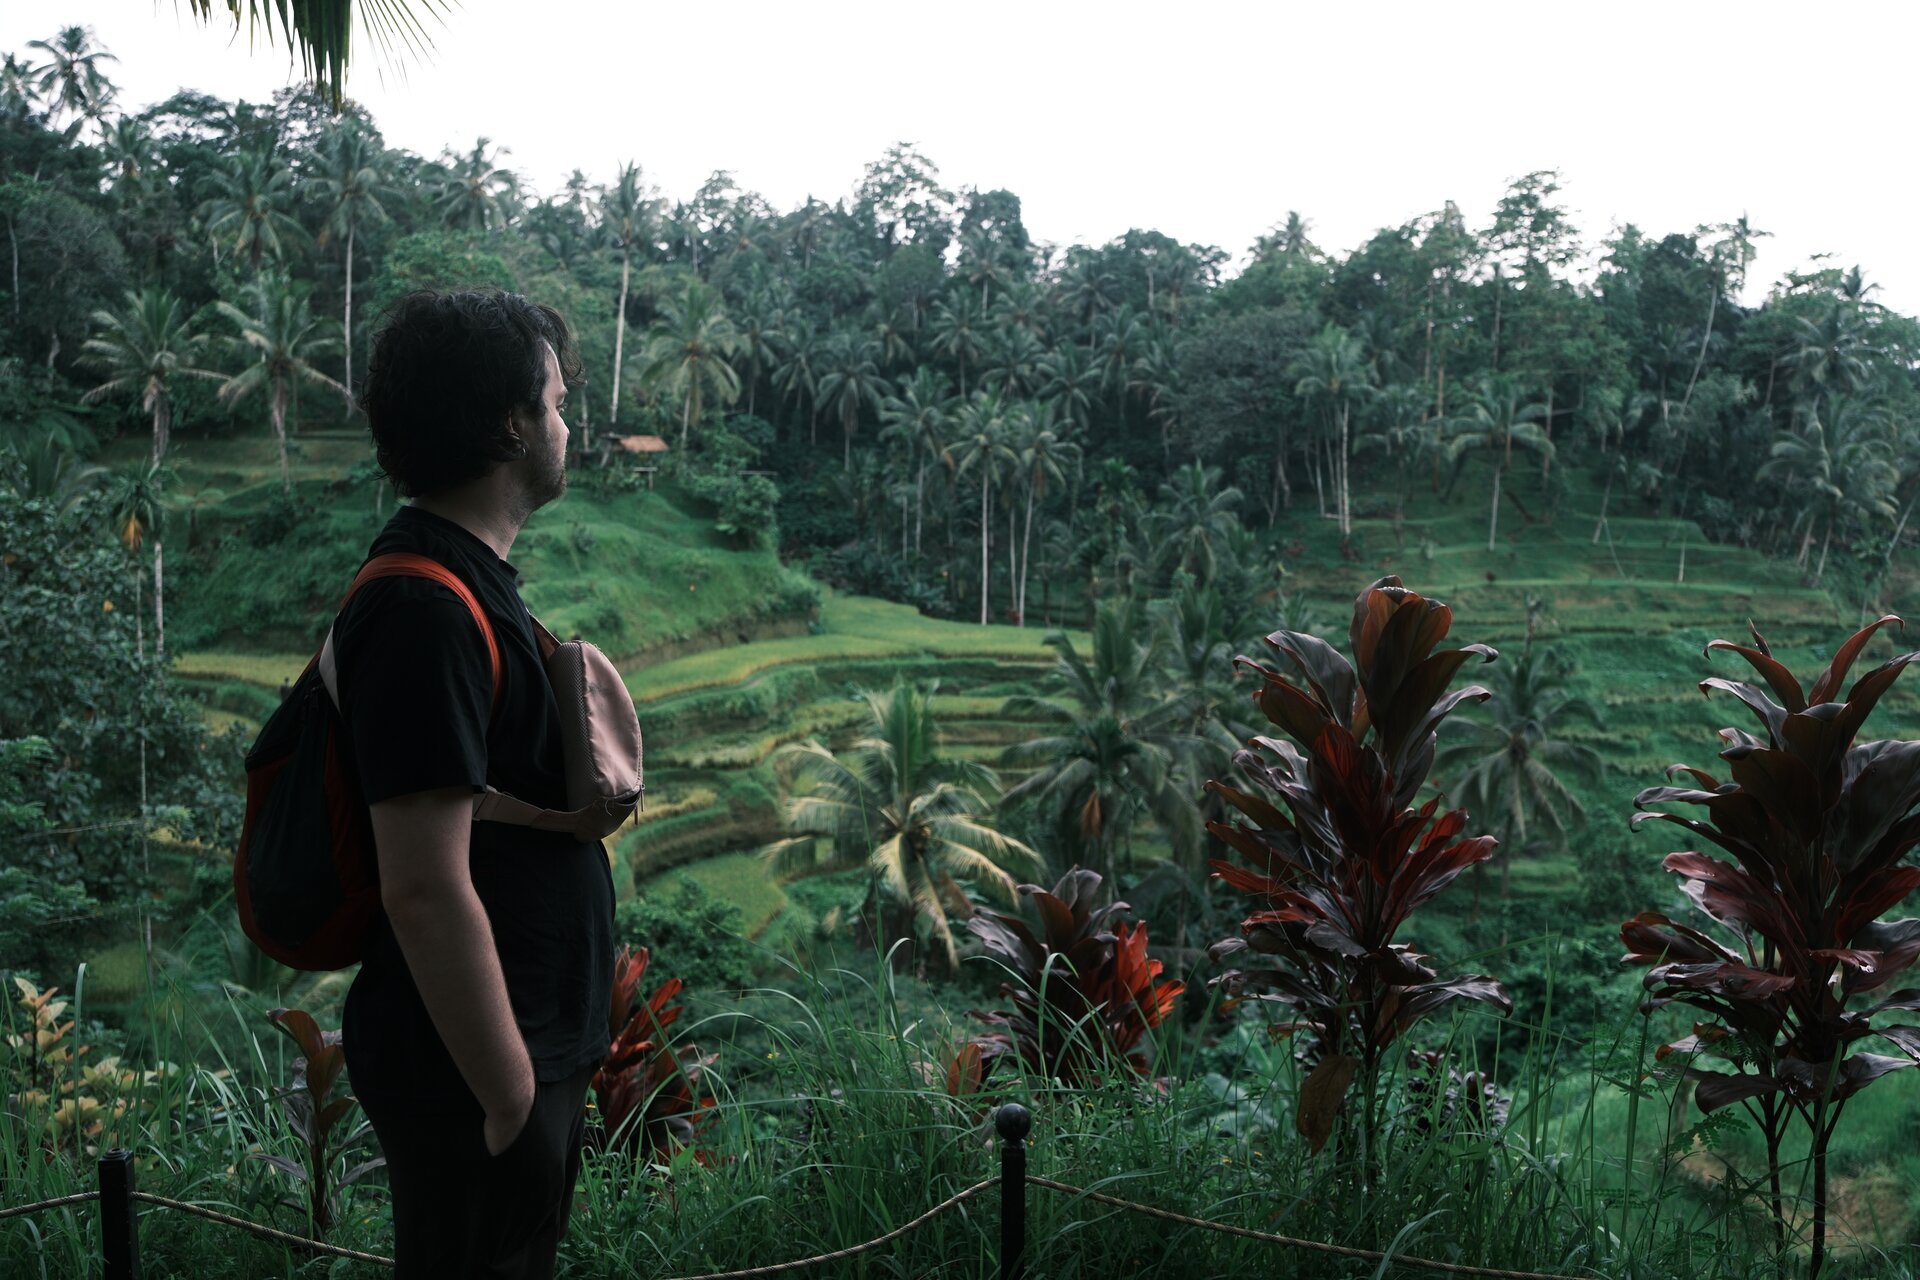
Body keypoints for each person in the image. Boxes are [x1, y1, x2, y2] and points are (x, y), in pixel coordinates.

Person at [335, 289, 613, 1278]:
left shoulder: (463, 580)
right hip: (475, 1071)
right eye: (556, 399)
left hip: (509, 1054)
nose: (566, 421)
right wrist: (509, 1098)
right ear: (510, 423)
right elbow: (423, 881)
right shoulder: (423, 606)